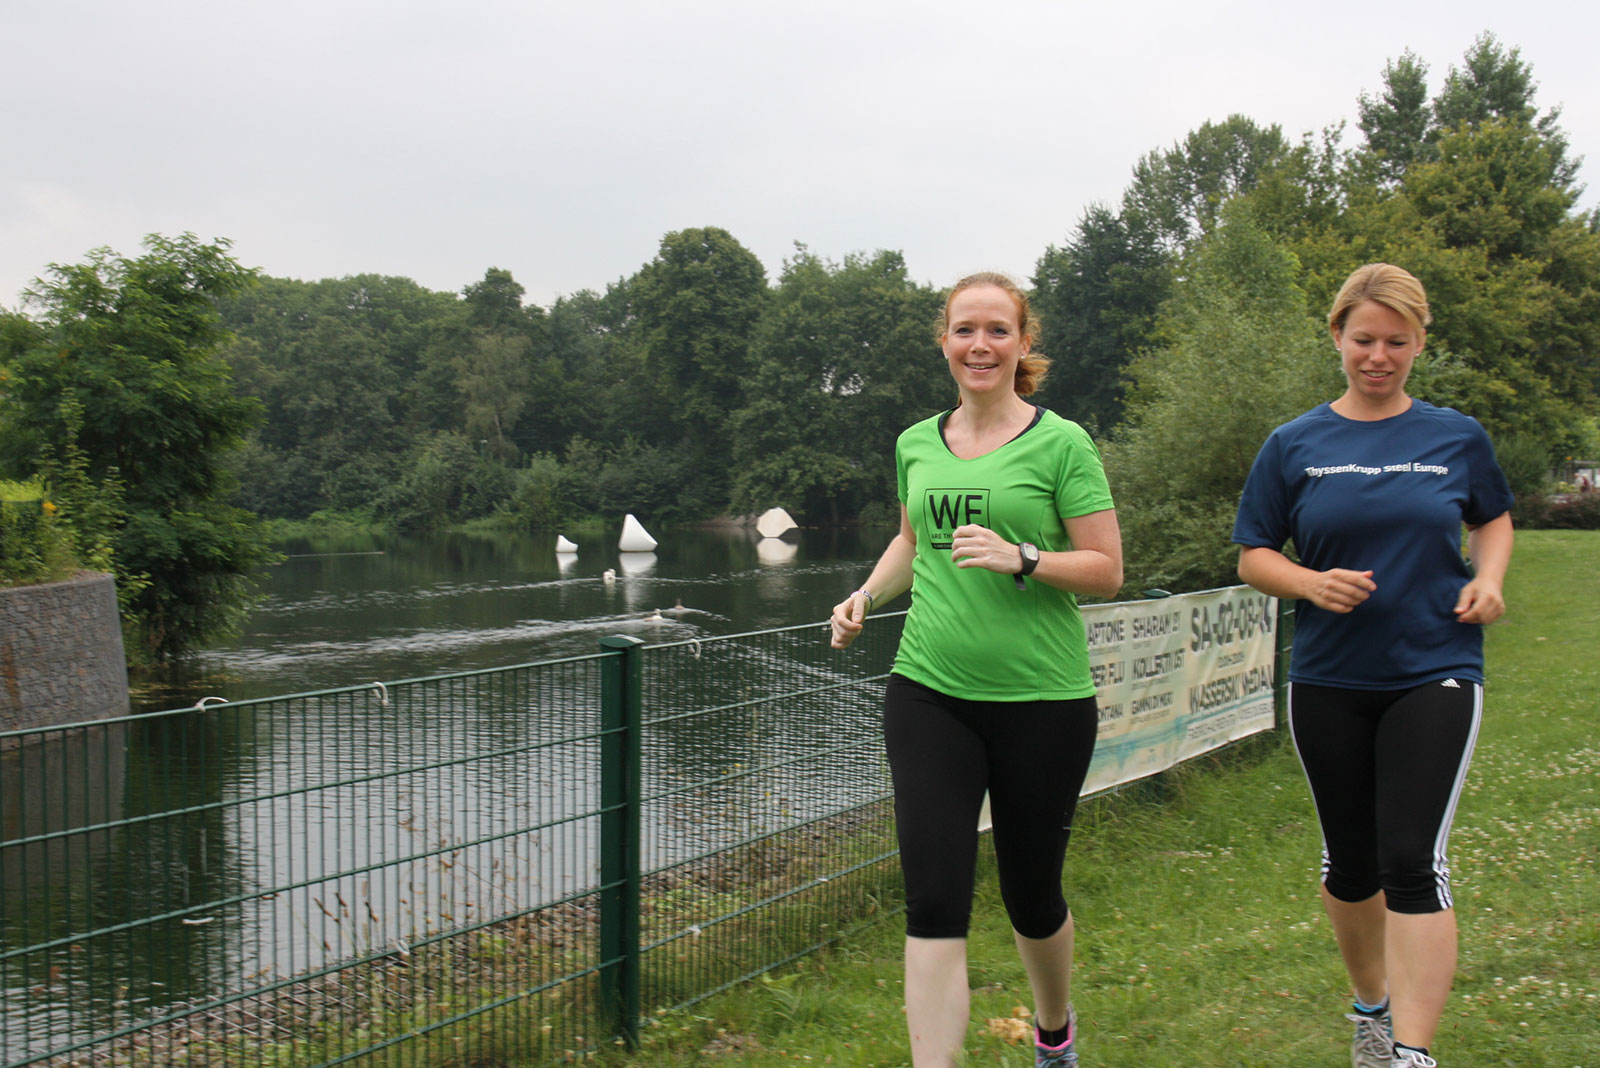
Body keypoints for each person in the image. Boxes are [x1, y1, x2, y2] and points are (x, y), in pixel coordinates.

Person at [829, 272, 1122, 1068]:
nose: (980, 345)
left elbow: (1106, 569)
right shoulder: (916, 443)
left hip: (1043, 703)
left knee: (1032, 897)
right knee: (933, 900)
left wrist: (1023, 556)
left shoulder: (1062, 444)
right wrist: (864, 596)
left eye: (998, 330)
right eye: (965, 330)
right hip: (929, 693)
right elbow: (912, 540)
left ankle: (1054, 1031)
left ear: (1023, 344)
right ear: (945, 343)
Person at [1232, 263, 1514, 1068]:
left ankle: (1412, 1054)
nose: (1379, 356)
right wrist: (1309, 583)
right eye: (1364, 340)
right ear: (1337, 337)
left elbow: (1493, 519)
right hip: (1330, 678)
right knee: (1352, 867)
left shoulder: (1456, 436)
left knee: (1413, 860)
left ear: (1419, 343)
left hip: (1435, 666)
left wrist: (1489, 579)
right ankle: (1372, 1012)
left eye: (1397, 341)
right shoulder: (1293, 443)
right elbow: (1253, 555)